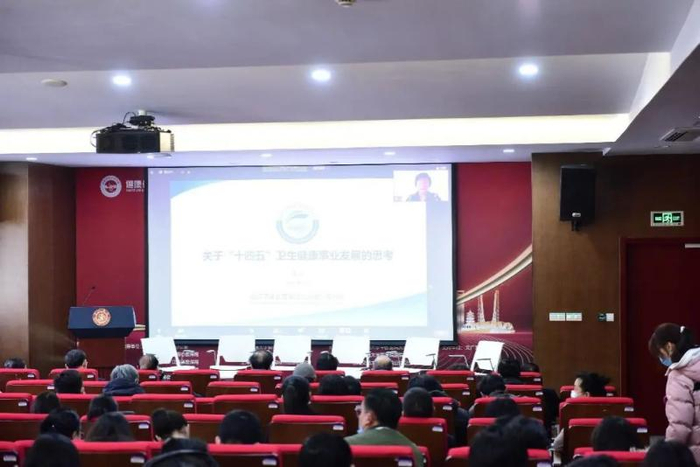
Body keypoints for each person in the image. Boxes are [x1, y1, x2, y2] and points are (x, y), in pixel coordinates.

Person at [649, 323, 700, 463]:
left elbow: (680, 426)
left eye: (661, 354)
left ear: (669, 347)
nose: (661, 360)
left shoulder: (678, 376)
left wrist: (667, 453)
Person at [345, 388, 422, 466]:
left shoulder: (345, 446)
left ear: (369, 418)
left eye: (360, 412)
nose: (359, 417)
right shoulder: (415, 452)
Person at [552, 371, 611, 454]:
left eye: (575, 389)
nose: (572, 392)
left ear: (586, 395)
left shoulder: (575, 416)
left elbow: (557, 445)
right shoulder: (612, 414)